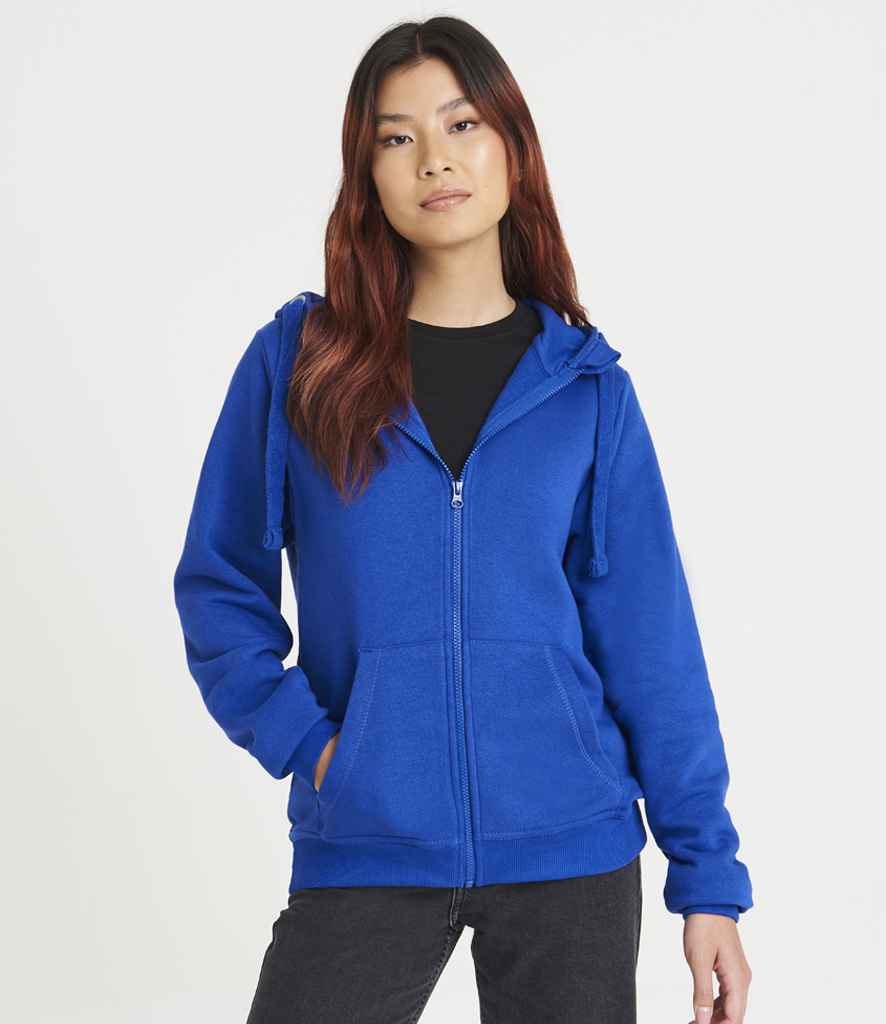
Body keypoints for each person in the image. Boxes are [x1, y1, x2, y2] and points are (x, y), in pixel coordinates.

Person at [172, 15, 753, 1024]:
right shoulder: (301, 365)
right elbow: (220, 588)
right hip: (368, 838)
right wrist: (318, 749)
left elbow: (652, 645)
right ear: (368, 175)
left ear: (511, 148)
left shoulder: (586, 390)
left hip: (572, 849)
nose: (433, 159)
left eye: (461, 124)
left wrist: (707, 879)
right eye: (396, 137)